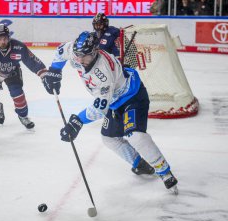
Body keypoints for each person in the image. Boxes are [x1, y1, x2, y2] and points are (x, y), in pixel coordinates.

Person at [41, 31, 178, 192]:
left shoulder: (104, 71)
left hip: (132, 97)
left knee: (135, 135)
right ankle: (139, 163)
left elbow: (99, 109)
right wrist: (54, 72)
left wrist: (77, 121)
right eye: (77, 55)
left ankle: (164, 171)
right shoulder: (76, 51)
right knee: (109, 138)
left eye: (84, 56)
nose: (79, 60)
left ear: (94, 52)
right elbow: (60, 51)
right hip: (113, 102)